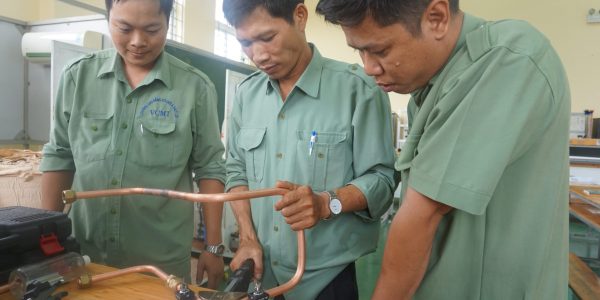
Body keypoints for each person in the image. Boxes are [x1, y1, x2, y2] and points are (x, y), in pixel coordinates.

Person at [316, 0, 571, 299]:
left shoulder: (508, 58)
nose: (369, 67)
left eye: (380, 50)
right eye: (359, 51)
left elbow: (422, 215)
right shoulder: (428, 88)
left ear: (436, 18)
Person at [40, 0, 226, 287]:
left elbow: (210, 168)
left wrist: (213, 247)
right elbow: (59, 156)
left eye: (152, 29)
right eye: (124, 28)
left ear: (167, 21)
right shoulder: (78, 77)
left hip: (160, 266)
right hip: (84, 257)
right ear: (107, 18)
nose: (138, 42)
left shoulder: (195, 89)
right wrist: (45, 238)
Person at [222, 1, 396, 299]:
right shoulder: (246, 96)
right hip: (262, 276)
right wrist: (248, 238)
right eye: (245, 42)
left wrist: (327, 203)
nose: (258, 55)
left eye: (267, 37)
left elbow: (382, 181)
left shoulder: (359, 90)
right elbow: (236, 170)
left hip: (328, 281)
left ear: (299, 17)